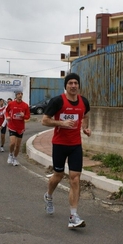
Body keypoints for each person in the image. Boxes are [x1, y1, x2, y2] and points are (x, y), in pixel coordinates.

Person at [41, 73, 91, 229]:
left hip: (76, 145)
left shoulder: (84, 101)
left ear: (79, 85)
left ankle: (73, 216)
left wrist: (85, 128)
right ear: (66, 85)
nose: (74, 85)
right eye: (71, 83)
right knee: (58, 175)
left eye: (76, 82)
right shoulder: (57, 101)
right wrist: (61, 123)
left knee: (75, 178)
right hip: (59, 144)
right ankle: (48, 196)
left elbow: (86, 115)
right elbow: (44, 120)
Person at [5, 90, 30, 166]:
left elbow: (28, 116)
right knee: (12, 143)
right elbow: (6, 111)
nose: (20, 95)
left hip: (20, 128)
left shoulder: (25, 105)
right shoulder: (11, 104)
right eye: (18, 94)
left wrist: (23, 116)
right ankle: (10, 154)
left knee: (18, 145)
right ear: (16, 96)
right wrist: (8, 116)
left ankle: (15, 158)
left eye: (21, 94)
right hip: (12, 126)